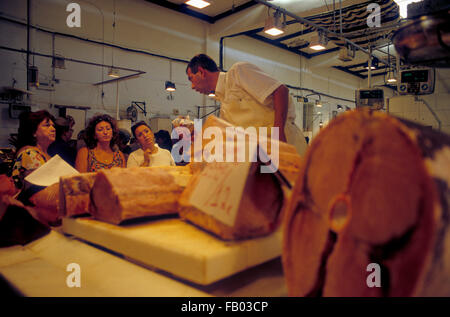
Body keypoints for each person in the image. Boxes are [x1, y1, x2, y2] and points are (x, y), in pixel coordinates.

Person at [186, 53, 308, 156]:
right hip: (266, 157)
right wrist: (201, 141)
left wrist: (279, 135)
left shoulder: (238, 72)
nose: (192, 86)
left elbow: (281, 91)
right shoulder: (224, 108)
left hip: (286, 148)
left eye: (191, 78)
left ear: (201, 72)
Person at [11, 110, 56, 190]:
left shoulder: (45, 153)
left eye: (53, 126)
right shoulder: (29, 154)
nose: (53, 129)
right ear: (34, 132)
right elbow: (36, 188)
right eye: (47, 125)